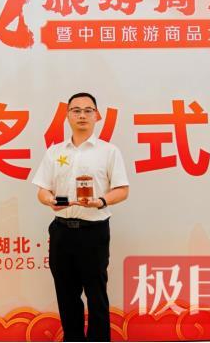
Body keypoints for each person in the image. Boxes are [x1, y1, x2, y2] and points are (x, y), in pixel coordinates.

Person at [32, 92, 129, 341]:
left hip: (93, 232)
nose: (82, 115)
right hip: (61, 231)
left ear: (97, 116)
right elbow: (42, 189)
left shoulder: (109, 151)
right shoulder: (54, 152)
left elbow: (122, 190)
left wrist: (101, 201)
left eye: (88, 110)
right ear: (67, 116)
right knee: (66, 295)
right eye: (76, 110)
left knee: (96, 295)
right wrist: (48, 200)